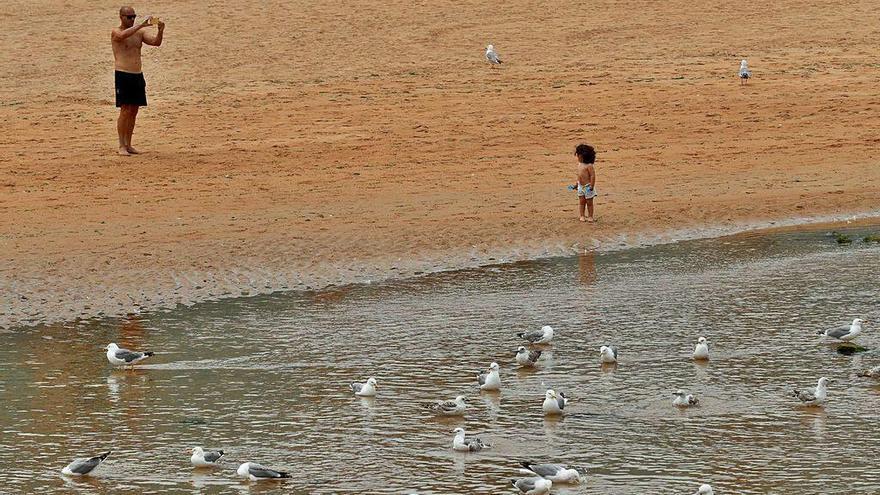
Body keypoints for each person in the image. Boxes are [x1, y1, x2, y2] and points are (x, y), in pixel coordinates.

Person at [111, 6, 164, 156]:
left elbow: (155, 42)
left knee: (134, 110)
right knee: (125, 110)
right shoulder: (116, 31)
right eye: (129, 17)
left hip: (137, 74)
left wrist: (160, 30)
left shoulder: (139, 33)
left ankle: (129, 144)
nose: (132, 19)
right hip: (123, 74)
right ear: (121, 17)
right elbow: (121, 36)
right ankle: (121, 145)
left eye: (134, 16)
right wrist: (140, 24)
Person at [573, 143, 597, 222]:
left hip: (588, 186)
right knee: (582, 202)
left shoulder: (589, 166)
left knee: (589, 203)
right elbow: (579, 176)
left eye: (578, 155)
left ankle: (590, 216)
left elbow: (592, 176)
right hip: (580, 186)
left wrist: (592, 186)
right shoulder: (579, 164)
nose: (577, 157)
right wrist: (577, 184)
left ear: (582, 156)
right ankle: (582, 215)